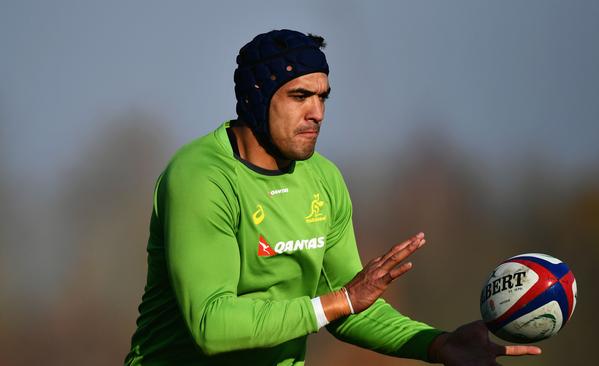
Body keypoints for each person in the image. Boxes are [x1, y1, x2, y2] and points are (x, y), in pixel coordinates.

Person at [125, 29, 541, 365]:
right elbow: (212, 325)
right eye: (300, 96)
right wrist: (339, 301)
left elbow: (349, 306)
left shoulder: (323, 179)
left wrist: (435, 344)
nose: (317, 113)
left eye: (323, 96)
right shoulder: (202, 178)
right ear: (256, 98)